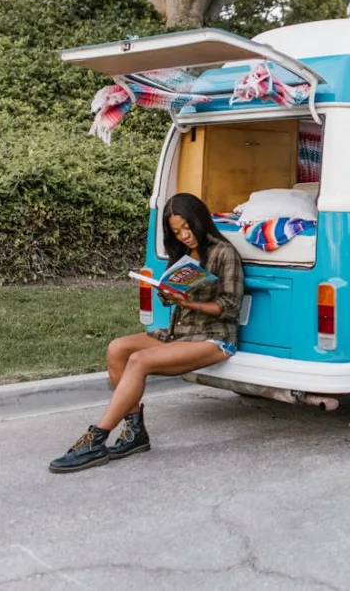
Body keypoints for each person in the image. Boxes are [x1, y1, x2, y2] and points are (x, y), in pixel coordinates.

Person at [49, 193, 244, 473]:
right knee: (117, 348)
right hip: (179, 332)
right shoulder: (182, 255)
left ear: (199, 221)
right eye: (176, 232)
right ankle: (134, 434)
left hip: (214, 337)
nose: (184, 236)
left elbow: (230, 306)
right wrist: (168, 292)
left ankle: (95, 440)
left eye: (187, 228)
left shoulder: (223, 252)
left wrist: (192, 303)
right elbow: (168, 299)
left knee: (139, 360)